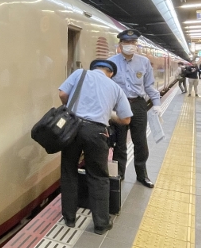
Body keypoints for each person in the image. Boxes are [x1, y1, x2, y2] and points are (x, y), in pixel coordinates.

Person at [58, 59, 132, 234]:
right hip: (97, 132)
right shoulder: (115, 88)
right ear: (111, 73)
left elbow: (62, 94)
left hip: (73, 128)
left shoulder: (80, 74)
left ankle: (69, 218)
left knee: (69, 171)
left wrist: (72, 108)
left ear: (93, 69)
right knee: (98, 175)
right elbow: (126, 119)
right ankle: (101, 223)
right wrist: (108, 115)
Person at [108, 30, 160, 188]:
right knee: (120, 143)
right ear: (120, 44)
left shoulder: (144, 62)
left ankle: (142, 175)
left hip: (138, 104)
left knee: (140, 142)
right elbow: (105, 86)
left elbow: (149, 85)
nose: (130, 45)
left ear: (137, 44)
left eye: (133, 42)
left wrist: (157, 103)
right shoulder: (111, 62)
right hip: (118, 105)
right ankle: (119, 174)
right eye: (126, 42)